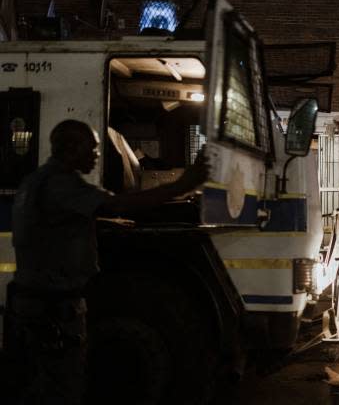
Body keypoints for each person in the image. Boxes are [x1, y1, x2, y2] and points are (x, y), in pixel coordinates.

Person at [9, 119, 209, 405]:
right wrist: (183, 185)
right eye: (91, 148)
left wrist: (101, 220)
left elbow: (56, 222)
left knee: (39, 385)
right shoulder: (61, 183)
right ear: (69, 147)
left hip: (35, 304)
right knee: (63, 388)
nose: (96, 155)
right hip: (53, 308)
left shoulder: (37, 180)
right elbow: (116, 203)